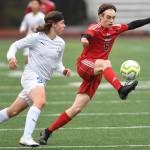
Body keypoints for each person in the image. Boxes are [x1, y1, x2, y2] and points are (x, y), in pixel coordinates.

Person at [39, 3, 150, 145]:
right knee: (106, 63)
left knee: (76, 108)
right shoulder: (95, 27)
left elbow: (133, 24)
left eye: (113, 18)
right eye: (108, 17)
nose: (111, 20)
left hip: (96, 73)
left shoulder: (115, 29)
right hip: (85, 65)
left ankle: (47, 132)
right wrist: (84, 39)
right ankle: (121, 89)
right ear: (100, 17)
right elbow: (87, 34)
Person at [0, 11, 71, 147]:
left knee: (12, 111)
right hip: (31, 76)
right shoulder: (36, 37)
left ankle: (25, 136)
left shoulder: (61, 43)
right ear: (54, 24)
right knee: (41, 100)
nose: (64, 25)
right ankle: (26, 137)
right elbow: (15, 45)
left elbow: (57, 63)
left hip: (41, 82)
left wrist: (63, 70)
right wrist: (11, 57)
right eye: (62, 23)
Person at [19, 0, 45, 64]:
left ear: (39, 6)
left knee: (37, 61)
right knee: (27, 59)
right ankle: (28, 72)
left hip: (39, 40)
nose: (33, 5)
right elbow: (24, 24)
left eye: (35, 4)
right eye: (32, 4)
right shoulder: (28, 16)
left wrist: (38, 29)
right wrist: (22, 29)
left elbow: (46, 27)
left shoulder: (42, 16)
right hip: (28, 39)